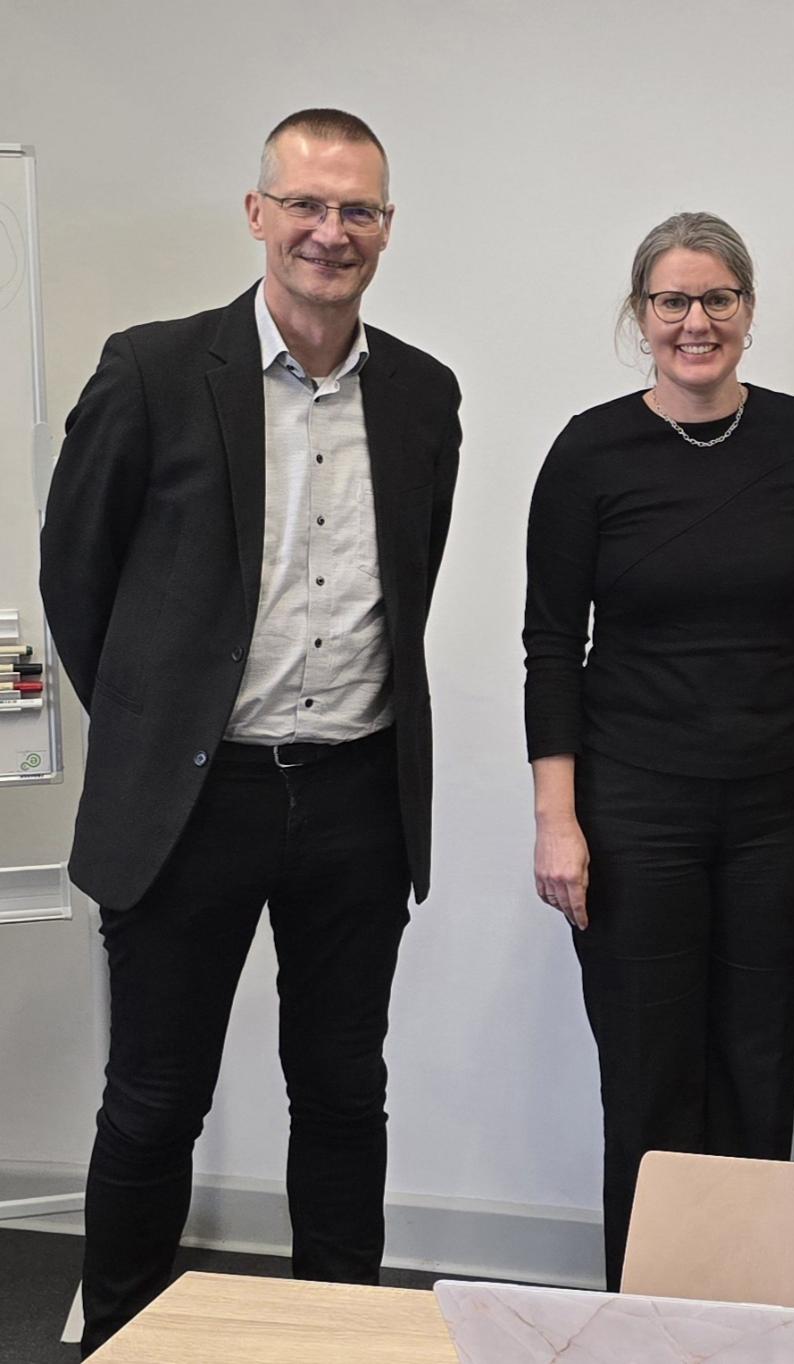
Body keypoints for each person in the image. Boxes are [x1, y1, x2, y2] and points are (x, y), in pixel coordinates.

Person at [40, 109, 461, 1355]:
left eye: (358, 209)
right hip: (194, 799)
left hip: (357, 796)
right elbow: (76, 576)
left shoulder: (424, 394)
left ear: (387, 227)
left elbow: (412, 576)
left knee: (342, 1094)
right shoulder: (153, 370)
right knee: (155, 1098)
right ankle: (120, 1337)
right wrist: (157, 727)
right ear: (257, 213)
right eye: (308, 204)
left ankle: (338, 1337)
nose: (331, 231)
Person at [523, 211, 794, 1290]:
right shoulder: (588, 451)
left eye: (718, 298)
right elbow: (549, 646)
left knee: (759, 1075)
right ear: (641, 315)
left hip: (784, 812)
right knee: (649, 1083)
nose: (695, 320)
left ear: (749, 311)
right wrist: (557, 821)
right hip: (633, 814)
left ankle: (754, 1323)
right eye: (672, 300)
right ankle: (643, 1325)